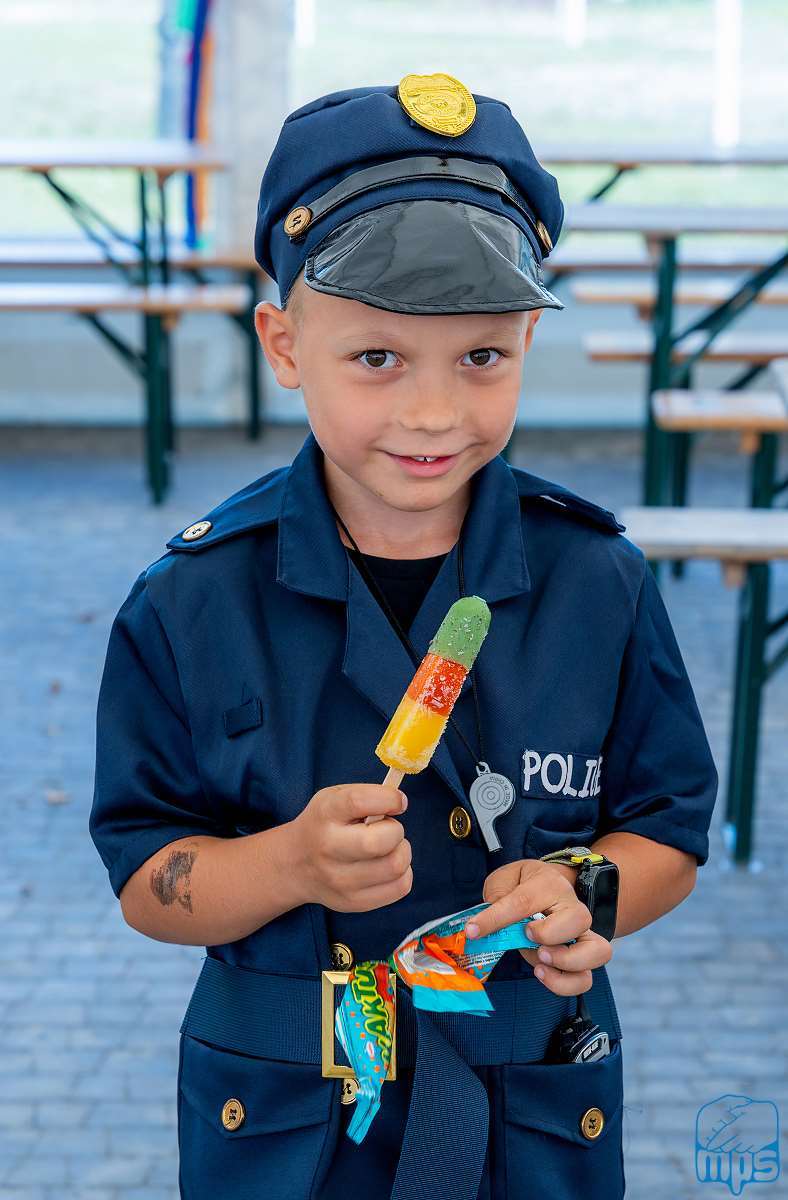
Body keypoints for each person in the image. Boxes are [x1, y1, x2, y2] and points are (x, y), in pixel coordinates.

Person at [89, 75, 718, 1200]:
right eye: (377, 358)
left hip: (529, 1099)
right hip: (289, 1121)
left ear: (528, 336)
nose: (433, 413)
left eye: (481, 358)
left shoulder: (598, 582)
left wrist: (586, 889)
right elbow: (146, 877)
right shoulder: (191, 601)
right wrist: (287, 862)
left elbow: (667, 829)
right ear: (284, 343)